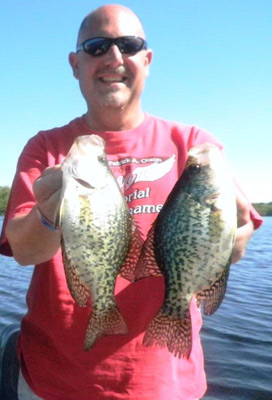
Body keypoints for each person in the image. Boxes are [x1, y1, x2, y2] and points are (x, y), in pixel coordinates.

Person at [0, 4, 263, 400]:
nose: (114, 58)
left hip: (165, 385)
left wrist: (233, 232)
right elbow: (23, 250)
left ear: (148, 59)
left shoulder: (194, 145)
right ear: (75, 64)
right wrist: (49, 212)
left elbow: (237, 245)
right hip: (52, 380)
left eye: (129, 44)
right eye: (96, 46)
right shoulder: (46, 148)